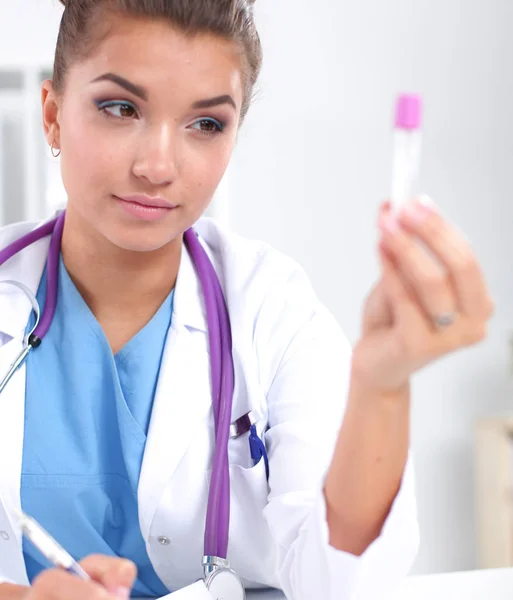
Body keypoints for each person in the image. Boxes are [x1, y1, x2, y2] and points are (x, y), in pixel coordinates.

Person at [0, 0, 493, 599]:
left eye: (205, 124)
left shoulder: (271, 311)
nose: (158, 165)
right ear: (52, 115)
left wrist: (381, 386)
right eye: (120, 108)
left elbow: (342, 579)